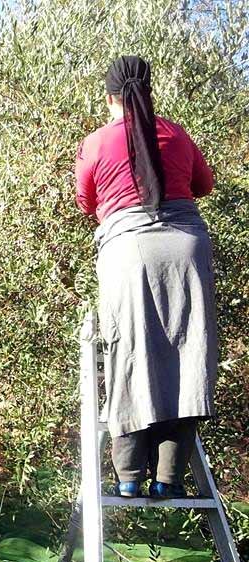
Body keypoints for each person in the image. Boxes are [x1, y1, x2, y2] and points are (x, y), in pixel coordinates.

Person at [75, 55, 218, 499]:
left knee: (129, 353)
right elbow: (204, 184)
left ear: (109, 97)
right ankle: (169, 479)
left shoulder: (98, 142)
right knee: (188, 354)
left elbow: (85, 200)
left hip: (129, 250)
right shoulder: (176, 133)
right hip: (187, 246)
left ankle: (129, 477)